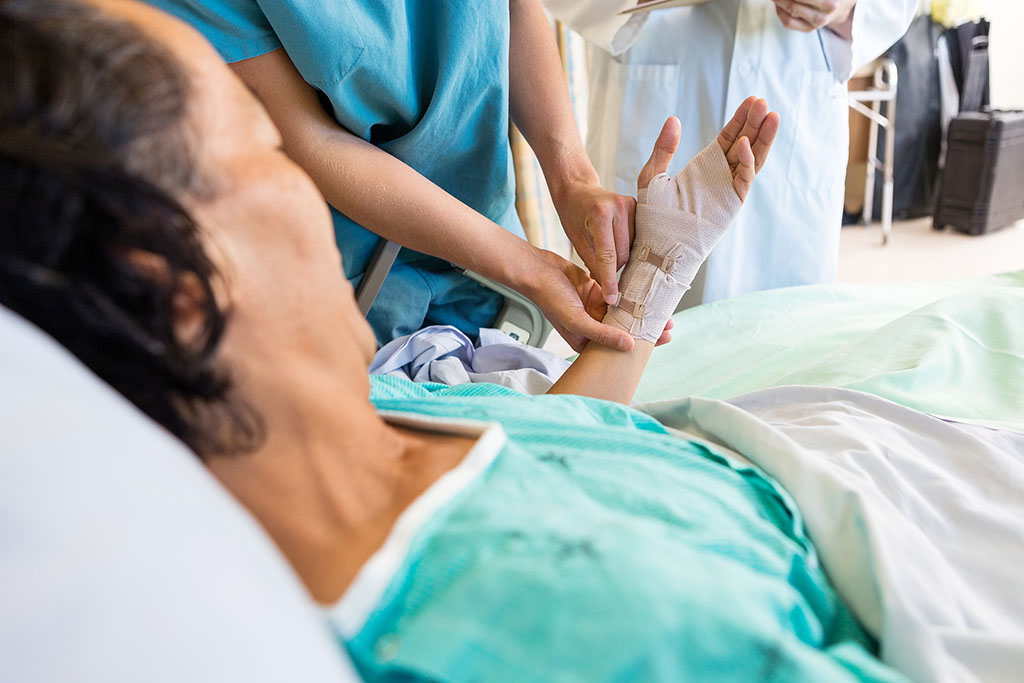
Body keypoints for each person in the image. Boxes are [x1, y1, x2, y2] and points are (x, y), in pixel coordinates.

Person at [1, 1, 907, 680]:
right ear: (174, 277)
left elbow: (561, 442)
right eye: (256, 152)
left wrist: (646, 270)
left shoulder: (408, 408)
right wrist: (539, 266)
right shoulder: (566, 617)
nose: (294, 189)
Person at [141, 0, 650, 353]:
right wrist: (530, 269)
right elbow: (313, 141)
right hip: (353, 275)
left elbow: (514, 9)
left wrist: (573, 179)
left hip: (489, 252)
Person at [543, 0, 917, 305]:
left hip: (796, 76)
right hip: (658, 53)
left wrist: (846, 9)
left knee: (781, 350)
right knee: (639, 343)